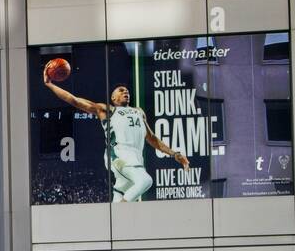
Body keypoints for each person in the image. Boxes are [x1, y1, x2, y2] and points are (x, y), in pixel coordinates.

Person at [42, 69, 189, 203]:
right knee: (145, 181)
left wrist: (174, 154)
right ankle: (121, 213)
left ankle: (115, 220)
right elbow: (74, 100)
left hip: (136, 157)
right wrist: (50, 84)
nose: (126, 92)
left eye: (127, 91)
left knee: (120, 196)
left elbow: (152, 138)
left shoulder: (139, 111)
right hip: (118, 155)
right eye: (121, 91)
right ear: (113, 97)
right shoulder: (107, 110)